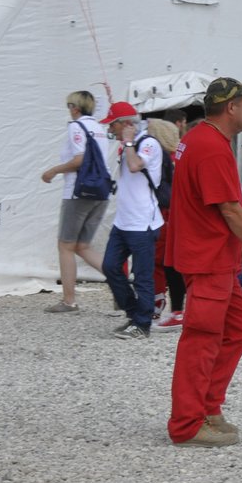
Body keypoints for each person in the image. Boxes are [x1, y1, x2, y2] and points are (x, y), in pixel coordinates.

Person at [166, 78, 242, 447]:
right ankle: (186, 423)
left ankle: (208, 407)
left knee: (238, 325)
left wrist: (240, 244)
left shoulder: (197, 139)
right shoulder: (212, 146)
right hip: (208, 258)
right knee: (201, 339)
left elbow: (220, 206)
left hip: (214, 256)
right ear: (231, 106)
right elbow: (229, 208)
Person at [39, 90, 109, 313]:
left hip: (78, 193)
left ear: (75, 108)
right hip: (101, 192)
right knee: (82, 246)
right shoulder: (100, 128)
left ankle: (69, 300)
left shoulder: (76, 127)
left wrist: (53, 170)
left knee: (66, 246)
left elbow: (79, 159)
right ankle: (122, 284)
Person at [99, 101, 164, 339]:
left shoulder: (147, 143)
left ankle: (142, 323)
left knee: (142, 274)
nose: (111, 130)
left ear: (125, 125)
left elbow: (136, 166)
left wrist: (127, 141)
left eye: (113, 125)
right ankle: (134, 312)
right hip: (124, 222)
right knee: (109, 266)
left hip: (143, 223)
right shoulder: (128, 145)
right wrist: (125, 143)